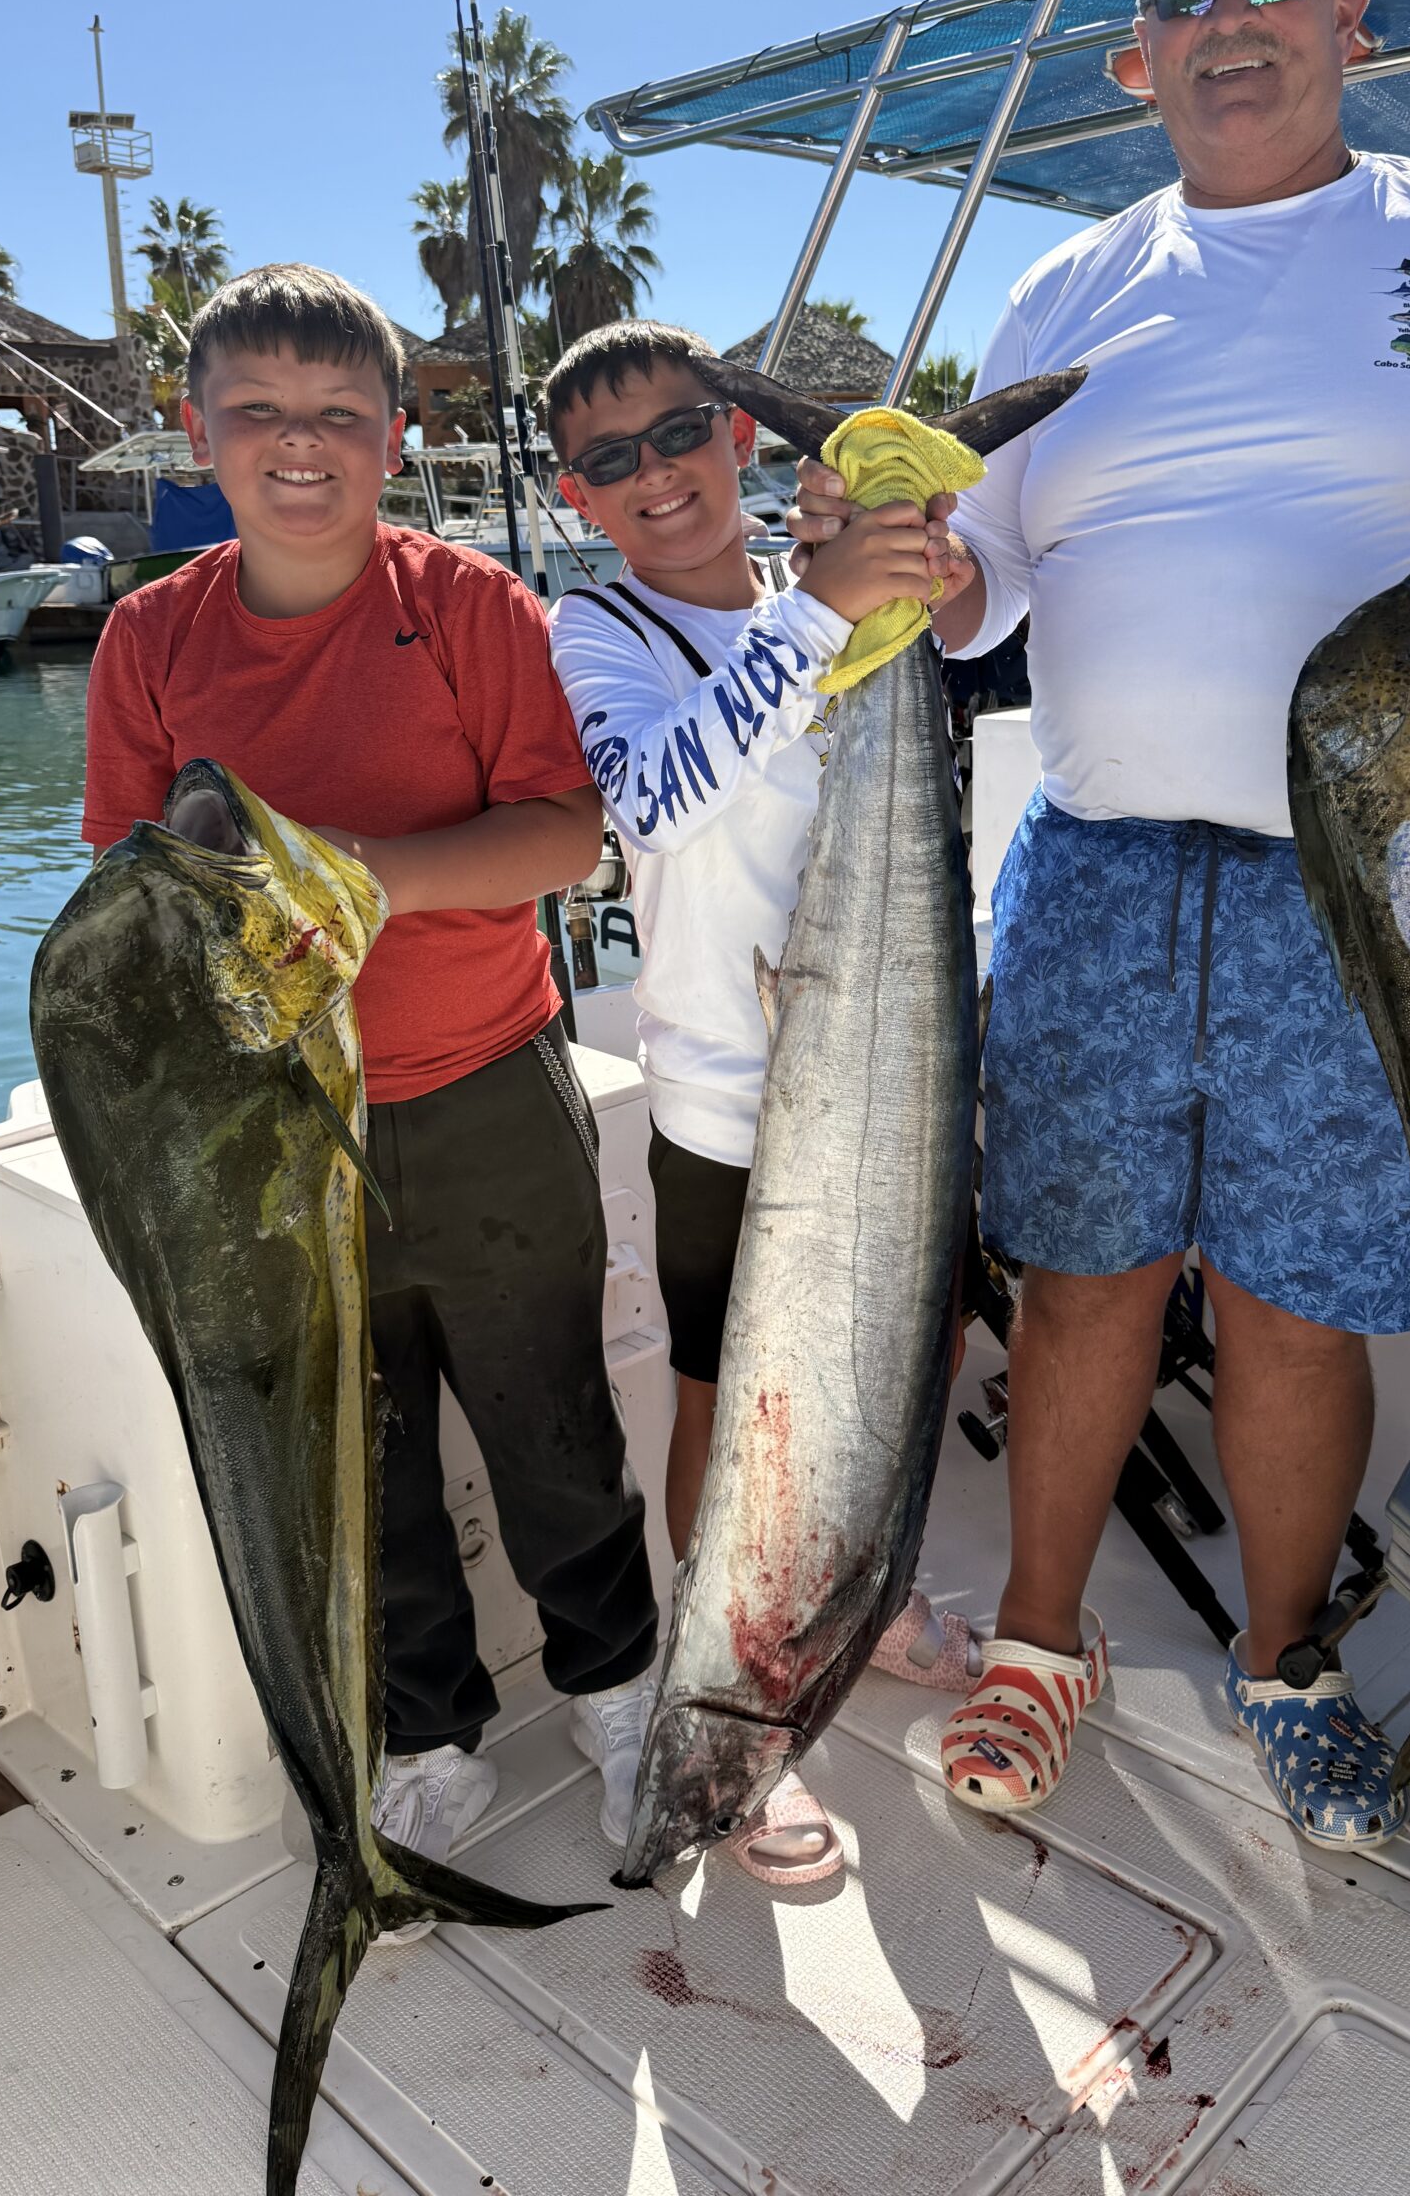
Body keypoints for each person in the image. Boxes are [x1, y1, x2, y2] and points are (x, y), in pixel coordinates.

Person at [790, 0, 1410, 1849]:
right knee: (1084, 1278)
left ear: (1355, 12)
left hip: (1390, 888)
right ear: (1136, 60)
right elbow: (980, 593)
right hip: (1105, 867)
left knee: (1303, 1300)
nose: (1230, 20)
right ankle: (1046, 1636)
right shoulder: (1069, 279)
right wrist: (887, 565)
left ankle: (1283, 1651)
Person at [80, 265, 657, 1918]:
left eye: (340, 415)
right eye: (257, 412)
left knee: (553, 1417)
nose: (299, 446)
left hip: (478, 1083)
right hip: (264, 1129)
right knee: (362, 1448)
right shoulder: (148, 637)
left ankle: (619, 1691)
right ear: (200, 433)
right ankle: (430, 1729)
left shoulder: (472, 608)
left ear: (398, 439)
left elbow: (565, 835)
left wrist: (352, 880)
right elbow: (124, 886)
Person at [544, 319, 985, 1882]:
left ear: (738, 443)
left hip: (899, 1057)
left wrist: (911, 570)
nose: (653, 475)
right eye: (609, 460)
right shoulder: (596, 632)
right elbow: (652, 799)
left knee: (903, 1351)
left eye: (679, 437)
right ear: (575, 494)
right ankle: (721, 1665)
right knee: (737, 1409)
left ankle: (878, 1591)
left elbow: (994, 640)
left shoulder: (850, 591)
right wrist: (821, 607)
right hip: (731, 1114)